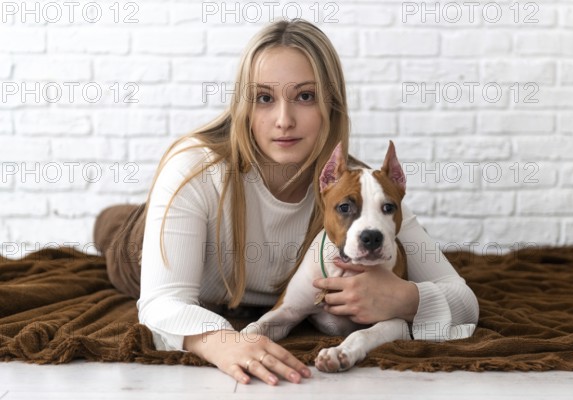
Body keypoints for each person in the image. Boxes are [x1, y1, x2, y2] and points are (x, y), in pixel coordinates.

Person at [93, 18, 479, 386]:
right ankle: (112, 221)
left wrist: (407, 298)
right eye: (264, 98)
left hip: (252, 293)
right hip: (137, 247)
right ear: (244, 104)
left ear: (331, 103)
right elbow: (162, 303)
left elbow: (463, 299)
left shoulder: (362, 193)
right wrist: (224, 344)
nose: (284, 120)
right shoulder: (196, 168)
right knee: (115, 234)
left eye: (305, 96)